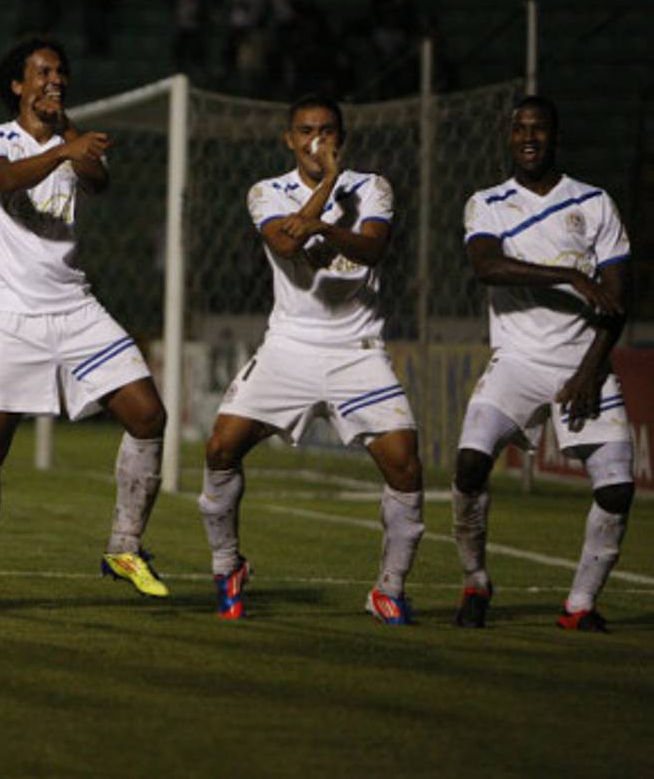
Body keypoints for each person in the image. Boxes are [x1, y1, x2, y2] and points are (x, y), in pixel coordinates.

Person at [0, 36, 169, 612]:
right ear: (18, 85)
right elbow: (4, 180)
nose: (55, 79)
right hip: (11, 316)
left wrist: (70, 142)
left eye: (61, 72)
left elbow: (98, 181)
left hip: (76, 309)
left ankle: (124, 547)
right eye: (42, 72)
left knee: (149, 415)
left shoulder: (76, 143)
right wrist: (64, 149)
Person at [199, 94, 424, 623]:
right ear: (289, 139)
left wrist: (323, 223)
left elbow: (371, 249)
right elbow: (283, 243)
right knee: (220, 447)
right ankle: (227, 566)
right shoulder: (266, 191)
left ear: (340, 138)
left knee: (405, 466)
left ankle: (389, 588)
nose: (315, 140)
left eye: (325, 131)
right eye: (305, 131)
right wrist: (325, 187)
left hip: (356, 351)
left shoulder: (373, 187)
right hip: (289, 349)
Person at [452, 96, 632, 632]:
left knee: (617, 488)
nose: (529, 138)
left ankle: (580, 605)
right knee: (468, 466)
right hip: (516, 361)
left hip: (583, 362)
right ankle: (476, 582)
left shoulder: (596, 203)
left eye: (539, 129)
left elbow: (619, 299)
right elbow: (486, 266)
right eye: (519, 129)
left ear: (556, 136)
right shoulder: (487, 202)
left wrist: (590, 370)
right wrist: (570, 276)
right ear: (509, 138)